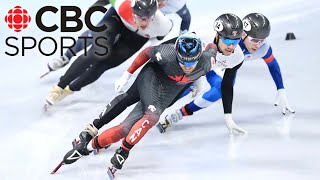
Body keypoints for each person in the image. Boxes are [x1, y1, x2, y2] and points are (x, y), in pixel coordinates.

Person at [61, 32, 214, 177]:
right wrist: (126, 75)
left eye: (192, 62)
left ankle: (88, 147)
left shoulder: (207, 62)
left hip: (170, 90)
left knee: (125, 129)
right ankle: (111, 142)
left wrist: (198, 80)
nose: (188, 66)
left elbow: (213, 48)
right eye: (183, 61)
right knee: (142, 108)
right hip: (152, 76)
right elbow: (146, 53)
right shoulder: (167, 54)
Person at [158, 13, 295, 135]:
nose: (258, 45)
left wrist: (281, 89)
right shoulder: (230, 42)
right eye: (254, 40)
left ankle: (178, 114)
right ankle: (157, 104)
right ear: (243, 35)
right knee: (189, 84)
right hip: (204, 60)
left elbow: (273, 65)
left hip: (219, 67)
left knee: (219, 90)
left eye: (262, 40)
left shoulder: (263, 48)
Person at [44, 0, 173, 107]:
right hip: (117, 22)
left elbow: (160, 38)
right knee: (96, 53)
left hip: (137, 39)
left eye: (149, 18)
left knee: (103, 66)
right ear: (133, 13)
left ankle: (69, 90)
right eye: (141, 18)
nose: (145, 23)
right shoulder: (123, 5)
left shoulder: (163, 25)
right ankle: (59, 87)